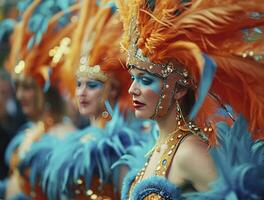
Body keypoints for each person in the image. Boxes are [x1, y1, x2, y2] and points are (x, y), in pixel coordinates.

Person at [115, 0, 264, 199]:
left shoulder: (191, 152)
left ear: (178, 90)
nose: (133, 89)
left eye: (146, 80)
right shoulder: (155, 148)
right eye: (134, 78)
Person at [35, 1, 157, 199]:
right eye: (79, 84)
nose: (82, 92)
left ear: (112, 90)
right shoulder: (78, 138)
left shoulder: (122, 145)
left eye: (92, 86)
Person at [2, 0, 78, 199]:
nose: (19, 95)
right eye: (17, 87)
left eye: (27, 87)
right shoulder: (29, 131)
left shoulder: (64, 136)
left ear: (46, 90)